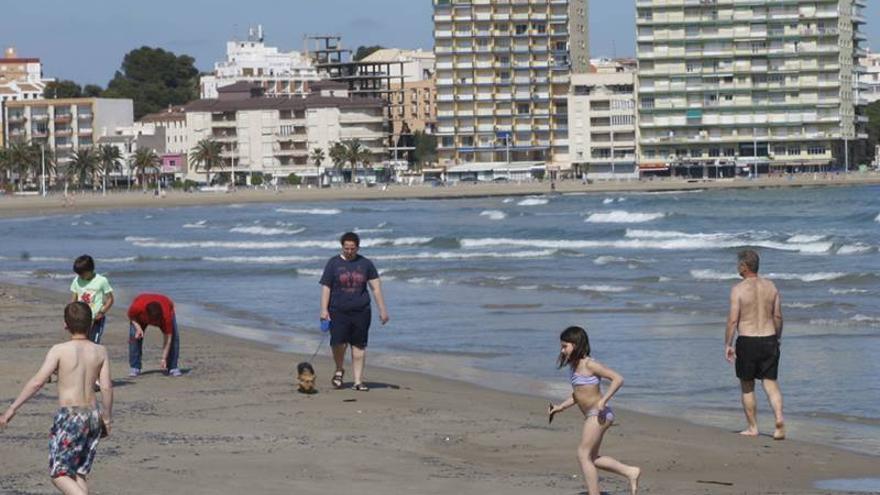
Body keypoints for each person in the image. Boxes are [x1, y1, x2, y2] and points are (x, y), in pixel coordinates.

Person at [0, 302, 113, 495]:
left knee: (59, 474)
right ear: (91, 324)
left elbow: (38, 382)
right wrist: (107, 418)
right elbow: (106, 387)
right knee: (77, 473)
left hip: (71, 416)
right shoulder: (100, 351)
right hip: (93, 415)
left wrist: (12, 409)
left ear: (65, 325)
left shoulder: (59, 350)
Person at [548, 326, 640, 495]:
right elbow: (579, 394)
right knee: (592, 458)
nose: (562, 350)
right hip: (593, 415)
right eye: (561, 346)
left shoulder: (590, 364)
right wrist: (560, 407)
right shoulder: (574, 366)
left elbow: (618, 379)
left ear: (576, 344)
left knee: (583, 454)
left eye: (565, 346)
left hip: (599, 414)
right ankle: (630, 471)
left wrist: (604, 401)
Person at [724, 249, 785, 439]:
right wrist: (778, 337)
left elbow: (733, 320)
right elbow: (777, 316)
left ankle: (753, 427)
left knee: (747, 386)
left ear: (744, 266)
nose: (737, 267)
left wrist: (728, 343)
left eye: (738, 264)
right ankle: (779, 420)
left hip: (748, 340)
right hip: (769, 338)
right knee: (771, 383)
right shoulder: (771, 287)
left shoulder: (738, 290)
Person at [319, 232, 389, 391]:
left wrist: (382, 310)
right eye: (346, 248)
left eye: (352, 248)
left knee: (359, 345)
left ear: (358, 247)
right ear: (342, 247)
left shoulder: (366, 264)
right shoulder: (333, 263)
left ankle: (358, 381)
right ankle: (339, 369)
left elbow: (376, 288)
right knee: (338, 344)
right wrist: (323, 310)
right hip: (337, 310)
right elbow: (326, 287)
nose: (349, 251)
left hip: (361, 311)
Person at [127, 293, 182, 377]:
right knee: (134, 336)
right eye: (153, 320)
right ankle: (135, 367)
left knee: (175, 338)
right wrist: (138, 328)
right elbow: (131, 316)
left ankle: (173, 366)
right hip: (140, 318)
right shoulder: (137, 307)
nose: (154, 323)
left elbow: (168, 339)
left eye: (156, 320)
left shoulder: (166, 316)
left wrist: (164, 358)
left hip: (165, 304)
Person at [69, 255, 114, 344]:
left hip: (97, 318)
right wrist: (69, 318)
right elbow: (73, 300)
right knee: (80, 342)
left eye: (82, 274)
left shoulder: (102, 280)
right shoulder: (76, 280)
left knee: (94, 343)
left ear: (90, 270)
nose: (80, 276)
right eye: (78, 274)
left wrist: (102, 312)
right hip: (80, 318)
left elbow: (110, 299)